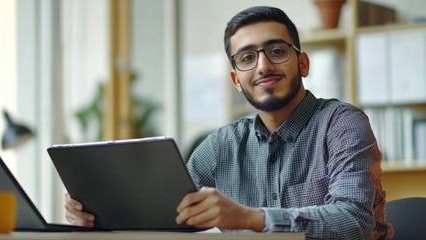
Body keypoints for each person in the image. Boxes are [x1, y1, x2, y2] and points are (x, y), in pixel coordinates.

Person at [65, 6, 394, 239]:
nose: (263, 66)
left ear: (303, 63)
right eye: (248, 58)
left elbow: (355, 223)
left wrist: (251, 218)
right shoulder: (219, 147)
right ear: (237, 81)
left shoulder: (342, 124)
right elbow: (167, 218)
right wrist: (97, 218)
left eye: (277, 51)